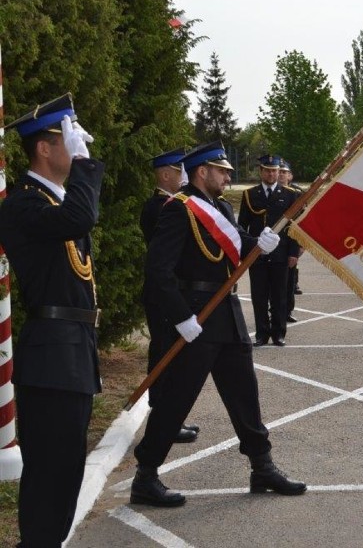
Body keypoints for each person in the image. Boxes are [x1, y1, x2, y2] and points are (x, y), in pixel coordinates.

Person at [132, 141, 306, 507]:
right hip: (197, 314)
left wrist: (261, 242)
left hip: (225, 311)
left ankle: (262, 466)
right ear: (201, 172)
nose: (228, 175)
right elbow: (157, 272)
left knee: (245, 393)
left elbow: (237, 244)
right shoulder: (178, 209)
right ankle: (146, 476)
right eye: (221, 170)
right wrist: (181, 317)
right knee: (176, 398)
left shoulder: (220, 206)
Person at [0, 94, 103, 546]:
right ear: (44, 147)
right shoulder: (23, 203)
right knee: (49, 476)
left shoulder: (54, 201)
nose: (79, 147)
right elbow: (82, 215)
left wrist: (78, 164)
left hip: (73, 350)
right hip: (53, 355)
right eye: (70, 138)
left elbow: (77, 218)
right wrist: (84, 165)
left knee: (65, 473)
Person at [139, 148, 200, 444]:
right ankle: (163, 420)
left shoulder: (170, 204)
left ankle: (172, 417)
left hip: (172, 292)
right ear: (165, 175)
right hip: (164, 294)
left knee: (173, 356)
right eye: (180, 171)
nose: (185, 177)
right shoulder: (159, 207)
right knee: (164, 355)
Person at [238, 155, 300, 346]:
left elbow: (294, 228)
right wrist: (246, 251)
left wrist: (293, 253)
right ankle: (261, 334)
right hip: (257, 254)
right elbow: (241, 227)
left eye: (275, 170)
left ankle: (279, 333)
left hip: (281, 254)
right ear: (261, 171)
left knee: (279, 296)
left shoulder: (290, 195)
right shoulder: (250, 195)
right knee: (259, 296)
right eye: (267, 170)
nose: (271, 174)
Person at [276, 160, 303, 318]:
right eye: (279, 172)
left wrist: (301, 244)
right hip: (276, 242)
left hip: (290, 241)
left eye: (284, 172)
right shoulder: (272, 193)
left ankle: (288, 310)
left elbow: (300, 220)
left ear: (290, 176)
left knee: (290, 278)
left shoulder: (296, 193)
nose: (280, 175)